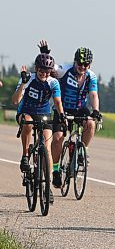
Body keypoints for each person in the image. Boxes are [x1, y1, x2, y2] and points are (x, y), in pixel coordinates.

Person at [37, 40, 101, 188]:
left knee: (91, 123)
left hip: (79, 109)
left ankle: (81, 152)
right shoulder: (65, 69)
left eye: (86, 65)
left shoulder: (91, 76)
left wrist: (96, 110)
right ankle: (56, 170)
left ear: (89, 65)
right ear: (75, 62)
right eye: (80, 64)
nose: (82, 67)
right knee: (58, 138)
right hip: (62, 109)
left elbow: (93, 95)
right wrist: (45, 53)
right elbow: (48, 67)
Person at [11, 53, 65, 203]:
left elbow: (58, 102)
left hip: (43, 114)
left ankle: (46, 187)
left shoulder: (53, 82)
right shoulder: (28, 78)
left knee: (46, 148)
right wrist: (22, 83)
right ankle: (25, 156)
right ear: (36, 68)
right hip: (26, 112)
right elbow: (15, 101)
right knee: (27, 124)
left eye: (47, 71)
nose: (44, 74)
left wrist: (62, 116)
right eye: (41, 70)